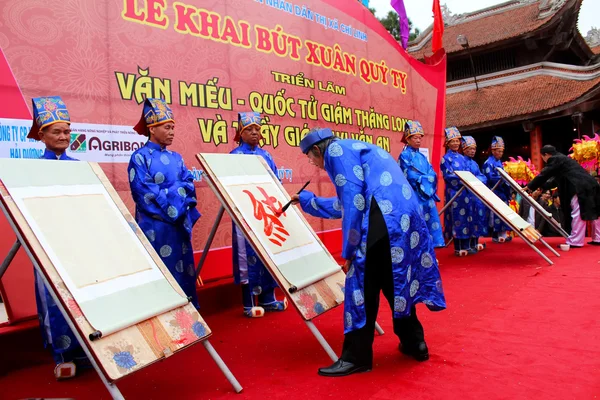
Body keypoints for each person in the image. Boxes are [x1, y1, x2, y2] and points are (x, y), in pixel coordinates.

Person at [294, 128, 446, 377]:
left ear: (317, 149)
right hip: (403, 220)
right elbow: (343, 204)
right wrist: (308, 201)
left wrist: (349, 250)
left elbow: (354, 204)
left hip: (381, 220)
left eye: (310, 157)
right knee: (394, 281)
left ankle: (357, 357)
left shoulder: (336, 151)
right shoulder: (356, 148)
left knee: (361, 288)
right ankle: (415, 343)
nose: (313, 164)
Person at [28, 96, 87, 379]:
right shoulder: (31, 170)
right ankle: (61, 354)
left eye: (67, 131)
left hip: (79, 243)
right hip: (48, 244)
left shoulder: (80, 166)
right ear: (41, 135)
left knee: (82, 294)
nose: (64, 137)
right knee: (53, 297)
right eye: (57, 132)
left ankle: (84, 349)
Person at [128, 98, 201, 308]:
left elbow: (188, 184)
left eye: (173, 128)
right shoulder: (139, 158)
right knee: (161, 273)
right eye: (167, 127)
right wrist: (176, 201)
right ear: (152, 128)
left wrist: (174, 196)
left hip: (178, 226)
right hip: (155, 227)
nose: (172, 132)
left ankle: (188, 315)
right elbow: (144, 193)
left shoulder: (177, 157)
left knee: (184, 269)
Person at [230, 112, 287, 317]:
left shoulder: (266, 155)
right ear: (240, 133)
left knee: (268, 255)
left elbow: (275, 182)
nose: (254, 133)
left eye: (257, 129)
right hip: (246, 213)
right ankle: (248, 304)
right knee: (248, 257)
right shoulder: (234, 156)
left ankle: (269, 300)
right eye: (249, 130)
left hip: (267, 214)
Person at [526, 145, 600, 247]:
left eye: (543, 157)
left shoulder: (555, 159)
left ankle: (576, 241)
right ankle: (598, 238)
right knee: (595, 211)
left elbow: (544, 174)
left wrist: (530, 186)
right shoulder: (563, 161)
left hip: (578, 186)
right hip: (591, 184)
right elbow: (555, 181)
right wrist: (541, 186)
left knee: (577, 213)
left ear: (546, 155)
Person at [398, 121, 444, 248]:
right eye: (415, 137)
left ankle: (431, 251)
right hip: (415, 195)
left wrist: (426, 179)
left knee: (431, 224)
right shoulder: (404, 155)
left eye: (420, 137)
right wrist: (425, 180)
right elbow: (408, 175)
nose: (418, 140)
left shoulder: (422, 156)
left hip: (427, 196)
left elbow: (432, 173)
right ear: (407, 139)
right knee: (418, 225)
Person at [440, 127, 472, 256]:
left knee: (467, 217)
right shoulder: (446, 158)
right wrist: (461, 178)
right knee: (457, 219)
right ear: (447, 142)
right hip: (454, 192)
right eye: (452, 141)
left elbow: (468, 172)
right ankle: (458, 247)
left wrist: (467, 179)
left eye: (457, 141)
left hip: (465, 191)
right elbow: (447, 175)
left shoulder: (462, 158)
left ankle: (467, 246)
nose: (455, 143)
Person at [482, 136, 512, 242]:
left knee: (503, 213)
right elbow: (489, 177)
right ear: (493, 151)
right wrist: (503, 179)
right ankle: (496, 235)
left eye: (502, 151)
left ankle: (503, 234)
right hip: (494, 190)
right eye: (499, 151)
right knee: (495, 214)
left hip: (502, 191)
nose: (500, 153)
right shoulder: (488, 163)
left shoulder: (499, 162)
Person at [461, 136, 488, 252]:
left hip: (476, 195)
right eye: (470, 148)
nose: (472, 151)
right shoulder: (461, 162)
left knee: (477, 218)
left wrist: (476, 180)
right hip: (467, 194)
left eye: (474, 149)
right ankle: (467, 245)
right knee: (468, 220)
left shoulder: (475, 164)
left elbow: (482, 176)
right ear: (464, 149)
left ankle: (475, 243)